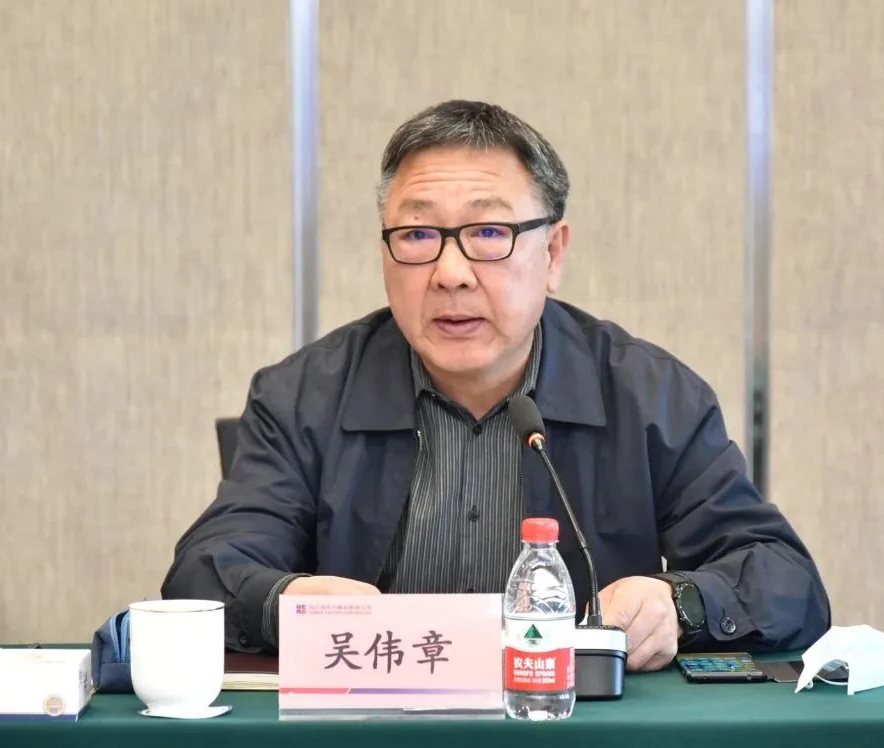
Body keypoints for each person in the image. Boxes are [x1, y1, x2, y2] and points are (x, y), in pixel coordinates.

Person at [162, 100, 830, 671]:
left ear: (553, 253)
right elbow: (203, 573)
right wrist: (285, 602)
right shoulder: (302, 397)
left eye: (488, 232)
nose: (450, 272)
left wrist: (678, 603)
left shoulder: (651, 397)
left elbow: (786, 580)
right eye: (417, 234)